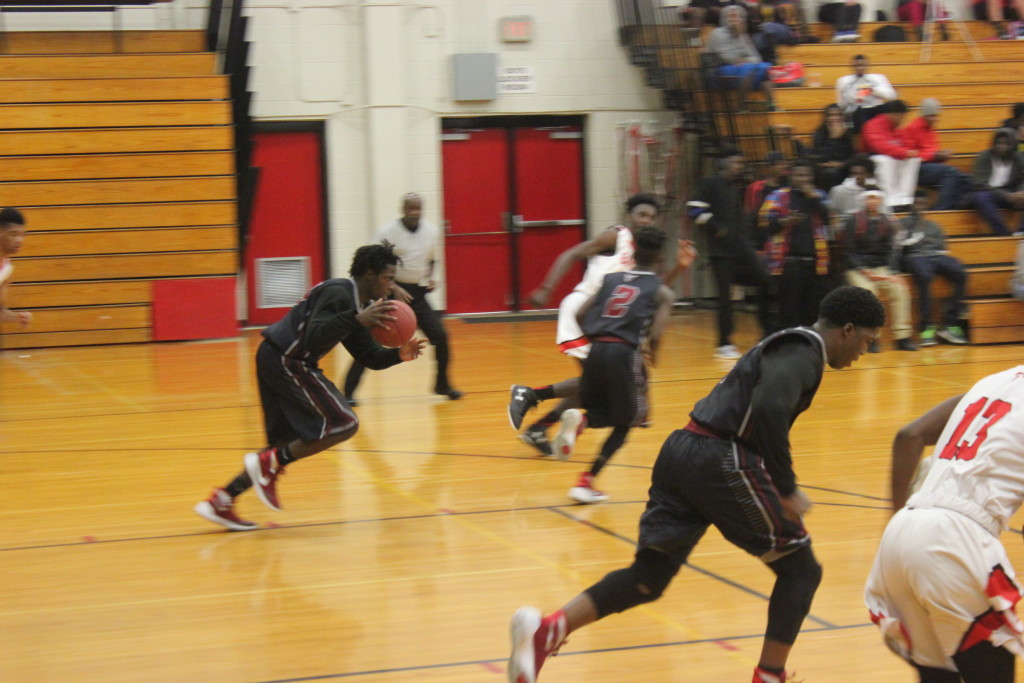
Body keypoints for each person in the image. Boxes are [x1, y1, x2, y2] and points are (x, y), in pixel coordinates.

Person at [508, 285, 885, 683]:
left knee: (649, 577)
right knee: (801, 571)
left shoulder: (790, 344)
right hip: (721, 458)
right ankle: (769, 676)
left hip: (682, 452)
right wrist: (786, 485)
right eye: (867, 340)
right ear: (847, 330)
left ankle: (547, 631)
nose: (865, 350)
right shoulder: (804, 351)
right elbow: (769, 407)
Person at [194, 243, 427, 531]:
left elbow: (368, 356)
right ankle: (265, 465)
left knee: (283, 446)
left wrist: (397, 355)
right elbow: (315, 335)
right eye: (387, 278)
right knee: (345, 423)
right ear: (369, 274)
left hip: (278, 357)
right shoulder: (339, 292)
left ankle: (222, 500)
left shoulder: (358, 305)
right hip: (287, 359)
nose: (391, 286)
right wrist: (355, 320)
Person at [864, 366, 1024, 683]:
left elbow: (908, 436)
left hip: (902, 532)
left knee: (939, 678)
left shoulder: (994, 381)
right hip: (955, 543)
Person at [508, 195, 695, 457]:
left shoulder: (643, 251)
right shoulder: (616, 236)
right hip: (585, 311)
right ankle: (529, 396)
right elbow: (572, 253)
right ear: (629, 216)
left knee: (593, 385)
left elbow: (652, 288)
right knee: (598, 382)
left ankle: (538, 424)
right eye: (642, 214)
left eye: (652, 217)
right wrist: (547, 288)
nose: (646, 220)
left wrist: (680, 267)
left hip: (605, 316)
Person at [550, 226, 675, 504]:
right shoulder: (662, 291)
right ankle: (586, 481)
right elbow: (656, 334)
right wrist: (653, 353)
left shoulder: (610, 279)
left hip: (597, 350)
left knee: (602, 411)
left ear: (633, 251)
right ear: (660, 258)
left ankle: (582, 421)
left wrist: (595, 339)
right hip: (624, 354)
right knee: (628, 422)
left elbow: (581, 313)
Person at [343, 194, 460, 405]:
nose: (414, 212)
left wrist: (431, 277)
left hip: (416, 293)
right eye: (410, 208)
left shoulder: (432, 232)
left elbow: (432, 259)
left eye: (417, 208)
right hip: (389, 290)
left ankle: (442, 384)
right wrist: (393, 286)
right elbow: (374, 264)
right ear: (403, 209)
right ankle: (348, 393)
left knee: (440, 336)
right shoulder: (388, 232)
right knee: (368, 340)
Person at [690, 151, 773, 359]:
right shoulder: (710, 183)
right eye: (735, 162)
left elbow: (740, 219)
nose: (739, 166)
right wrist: (717, 228)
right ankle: (724, 343)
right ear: (723, 162)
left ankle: (767, 330)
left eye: (741, 162)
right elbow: (694, 210)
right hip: (721, 251)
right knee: (725, 297)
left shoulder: (734, 188)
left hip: (741, 246)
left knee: (764, 278)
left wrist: (748, 242)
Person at [759, 158, 832, 331]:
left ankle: (808, 343)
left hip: (816, 262)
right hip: (789, 262)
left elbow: (829, 219)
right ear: (791, 176)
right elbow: (765, 225)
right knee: (789, 311)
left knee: (812, 312)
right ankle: (789, 343)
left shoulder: (819, 196)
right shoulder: (778, 196)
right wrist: (786, 221)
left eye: (806, 175)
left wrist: (812, 197)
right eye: (799, 175)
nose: (803, 179)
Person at [842, 189, 918, 351]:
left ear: (880, 201)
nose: (872, 202)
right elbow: (848, 251)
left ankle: (902, 336)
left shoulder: (887, 221)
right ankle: (871, 338)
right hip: (857, 268)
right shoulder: (853, 220)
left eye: (875, 198)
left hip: (880, 267)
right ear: (864, 201)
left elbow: (891, 250)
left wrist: (892, 272)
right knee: (868, 292)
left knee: (900, 290)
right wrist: (863, 270)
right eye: (869, 198)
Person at [896, 190, 968, 346]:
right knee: (924, 276)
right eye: (917, 203)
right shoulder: (903, 223)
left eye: (923, 204)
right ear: (912, 205)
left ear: (927, 206)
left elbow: (942, 248)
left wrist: (927, 244)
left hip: (936, 256)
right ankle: (926, 326)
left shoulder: (934, 225)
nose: (920, 207)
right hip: (915, 256)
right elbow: (898, 247)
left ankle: (949, 323)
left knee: (960, 273)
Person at [899, 99, 973, 211]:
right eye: (931, 116)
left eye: (936, 116)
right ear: (924, 115)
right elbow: (910, 155)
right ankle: (941, 208)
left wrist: (940, 156)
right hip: (916, 168)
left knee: (964, 178)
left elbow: (931, 153)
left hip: (929, 166)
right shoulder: (912, 129)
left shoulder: (931, 130)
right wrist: (934, 155)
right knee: (950, 172)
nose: (934, 119)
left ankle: (957, 204)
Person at [705, 5, 776, 111]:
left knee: (765, 67)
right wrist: (744, 61)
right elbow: (727, 57)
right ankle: (741, 106)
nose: (735, 19)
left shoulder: (742, 35)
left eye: (737, 16)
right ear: (725, 18)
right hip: (719, 70)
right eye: (731, 16)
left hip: (741, 69)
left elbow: (757, 58)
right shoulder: (717, 33)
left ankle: (772, 105)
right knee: (748, 68)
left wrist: (745, 60)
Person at [861, 100, 921, 210]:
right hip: (873, 157)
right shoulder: (873, 125)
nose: (902, 119)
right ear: (894, 114)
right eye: (901, 115)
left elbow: (907, 145)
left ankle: (905, 199)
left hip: (893, 157)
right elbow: (879, 146)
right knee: (886, 160)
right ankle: (891, 200)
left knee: (913, 160)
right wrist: (903, 152)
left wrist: (909, 153)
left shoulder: (897, 128)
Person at [966, 128, 1024, 236]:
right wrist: (1005, 195)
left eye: (1005, 144)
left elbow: (1022, 178)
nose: (1000, 146)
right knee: (980, 197)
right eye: (998, 143)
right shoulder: (984, 157)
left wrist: (1021, 193)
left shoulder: (1018, 158)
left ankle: (1021, 232)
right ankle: (1003, 233)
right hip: (989, 192)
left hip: (1011, 192)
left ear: (1012, 145)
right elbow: (979, 184)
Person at [835, 55, 898, 133]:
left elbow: (891, 95)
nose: (859, 68)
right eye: (856, 65)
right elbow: (841, 104)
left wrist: (872, 90)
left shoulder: (878, 78)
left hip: (874, 110)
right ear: (852, 66)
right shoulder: (843, 81)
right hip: (853, 112)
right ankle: (850, 135)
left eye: (862, 65)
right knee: (848, 120)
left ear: (867, 65)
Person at [808, 103, 855, 191]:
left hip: (845, 168)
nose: (833, 118)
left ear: (842, 117)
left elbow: (854, 155)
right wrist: (834, 138)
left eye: (837, 115)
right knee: (831, 172)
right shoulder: (819, 133)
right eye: (830, 115)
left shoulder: (849, 132)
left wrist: (843, 164)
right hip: (825, 170)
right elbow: (820, 156)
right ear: (825, 118)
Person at [0, 207, 32, 332]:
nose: (19, 240)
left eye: (22, 235)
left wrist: (17, 317)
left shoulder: (6, 269)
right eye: (13, 234)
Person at [829, 154, 884, 220]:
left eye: (861, 173)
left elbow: (883, 213)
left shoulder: (877, 191)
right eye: (854, 173)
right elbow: (834, 214)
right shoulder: (838, 191)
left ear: (869, 174)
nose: (857, 176)